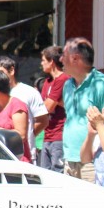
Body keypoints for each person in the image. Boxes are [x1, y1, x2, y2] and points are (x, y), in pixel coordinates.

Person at [61, 37, 104, 182]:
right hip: (69, 158)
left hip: (94, 161)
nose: (60, 60)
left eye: (63, 55)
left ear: (75, 59)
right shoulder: (67, 85)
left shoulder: (103, 85)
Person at [0, 56, 48, 161]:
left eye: (0, 73)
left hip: (23, 156)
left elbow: (43, 120)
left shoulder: (29, 92)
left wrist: (27, 135)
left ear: (11, 70)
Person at [38, 45, 70, 173]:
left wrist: (50, 103)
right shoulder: (47, 81)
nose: (41, 63)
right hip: (47, 134)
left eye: (43, 60)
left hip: (59, 135)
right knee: (45, 173)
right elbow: (41, 106)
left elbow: (46, 107)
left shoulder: (63, 79)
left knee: (58, 172)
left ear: (51, 61)